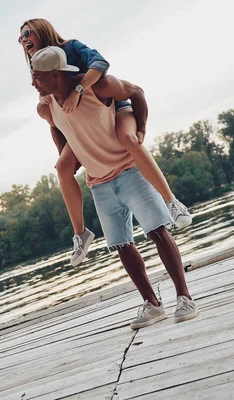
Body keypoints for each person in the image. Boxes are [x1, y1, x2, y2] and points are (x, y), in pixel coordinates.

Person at [31, 46, 198, 328]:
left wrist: (140, 129)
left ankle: (185, 297)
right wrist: (70, 160)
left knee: (158, 232)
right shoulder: (45, 107)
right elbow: (62, 129)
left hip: (129, 170)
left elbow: (137, 92)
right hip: (99, 183)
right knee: (122, 244)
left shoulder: (101, 87)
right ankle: (152, 304)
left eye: (37, 77)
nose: (33, 83)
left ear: (57, 75)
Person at [19, 18, 192, 267]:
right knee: (62, 168)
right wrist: (68, 151)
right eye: (20, 38)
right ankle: (80, 233)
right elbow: (56, 122)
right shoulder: (41, 70)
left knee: (129, 139)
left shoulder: (70, 48)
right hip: (85, 127)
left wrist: (79, 89)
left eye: (27, 34)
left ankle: (172, 201)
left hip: (112, 108)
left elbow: (101, 63)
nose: (24, 41)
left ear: (42, 31)